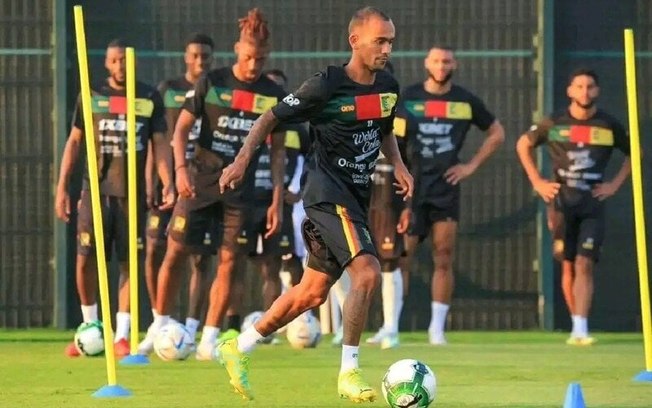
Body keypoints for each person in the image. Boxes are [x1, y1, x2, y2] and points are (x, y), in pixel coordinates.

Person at [217, 6, 412, 402]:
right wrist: (240, 160)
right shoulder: (326, 84)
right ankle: (349, 372)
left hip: (355, 200)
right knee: (369, 273)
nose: (387, 48)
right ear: (354, 40)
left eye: (391, 41)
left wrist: (401, 167)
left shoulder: (388, 86)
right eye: (380, 40)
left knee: (311, 293)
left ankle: (239, 346)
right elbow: (269, 117)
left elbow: (385, 128)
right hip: (326, 194)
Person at [139, 8, 287, 361]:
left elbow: (278, 153)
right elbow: (179, 130)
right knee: (174, 250)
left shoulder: (273, 94)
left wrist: (277, 200)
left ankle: (209, 338)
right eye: (249, 57)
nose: (254, 65)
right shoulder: (212, 81)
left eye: (261, 59)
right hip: (199, 182)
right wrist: (179, 169)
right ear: (238, 49)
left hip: (242, 192)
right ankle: (159, 325)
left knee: (228, 261)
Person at [55, 39, 173, 357]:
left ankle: (122, 335)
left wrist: (168, 182)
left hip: (130, 195)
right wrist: (62, 186)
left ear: (133, 62)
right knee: (84, 259)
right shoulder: (91, 96)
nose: (121, 65)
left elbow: (161, 144)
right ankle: (90, 328)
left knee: (127, 263)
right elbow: (75, 142)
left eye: (125, 60)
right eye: (115, 60)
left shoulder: (148, 97)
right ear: (107, 63)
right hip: (94, 191)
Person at [395, 45, 504, 345]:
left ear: (454, 64)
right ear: (426, 63)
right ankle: (391, 326)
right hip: (411, 190)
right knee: (401, 257)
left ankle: (437, 330)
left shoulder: (465, 101)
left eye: (446, 61)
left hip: (446, 189)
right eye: (436, 61)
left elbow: (497, 133)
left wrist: (470, 166)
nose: (441, 66)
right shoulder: (410, 97)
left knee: (443, 257)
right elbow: (391, 138)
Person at [516, 68, 631, 345]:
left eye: (590, 86)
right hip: (561, 204)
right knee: (568, 265)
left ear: (597, 91)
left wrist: (614, 185)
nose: (585, 92)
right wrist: (538, 182)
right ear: (570, 91)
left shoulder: (608, 125)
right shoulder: (554, 122)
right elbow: (523, 144)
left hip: (592, 204)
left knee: (585, 263)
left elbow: (633, 153)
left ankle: (581, 328)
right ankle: (576, 325)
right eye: (579, 86)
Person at [219, 69, 311, 344]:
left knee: (273, 265)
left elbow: (312, 162)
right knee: (235, 262)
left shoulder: (296, 130)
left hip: (276, 202)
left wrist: (297, 192)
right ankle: (233, 324)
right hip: (245, 200)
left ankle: (274, 326)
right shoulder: (245, 122)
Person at [144, 33, 215, 342]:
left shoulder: (215, 90)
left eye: (206, 57)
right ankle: (160, 321)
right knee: (156, 248)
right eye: (195, 55)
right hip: (169, 180)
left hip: (200, 185)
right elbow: (155, 140)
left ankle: (191, 326)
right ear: (186, 57)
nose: (200, 61)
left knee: (200, 257)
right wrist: (155, 181)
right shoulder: (167, 91)